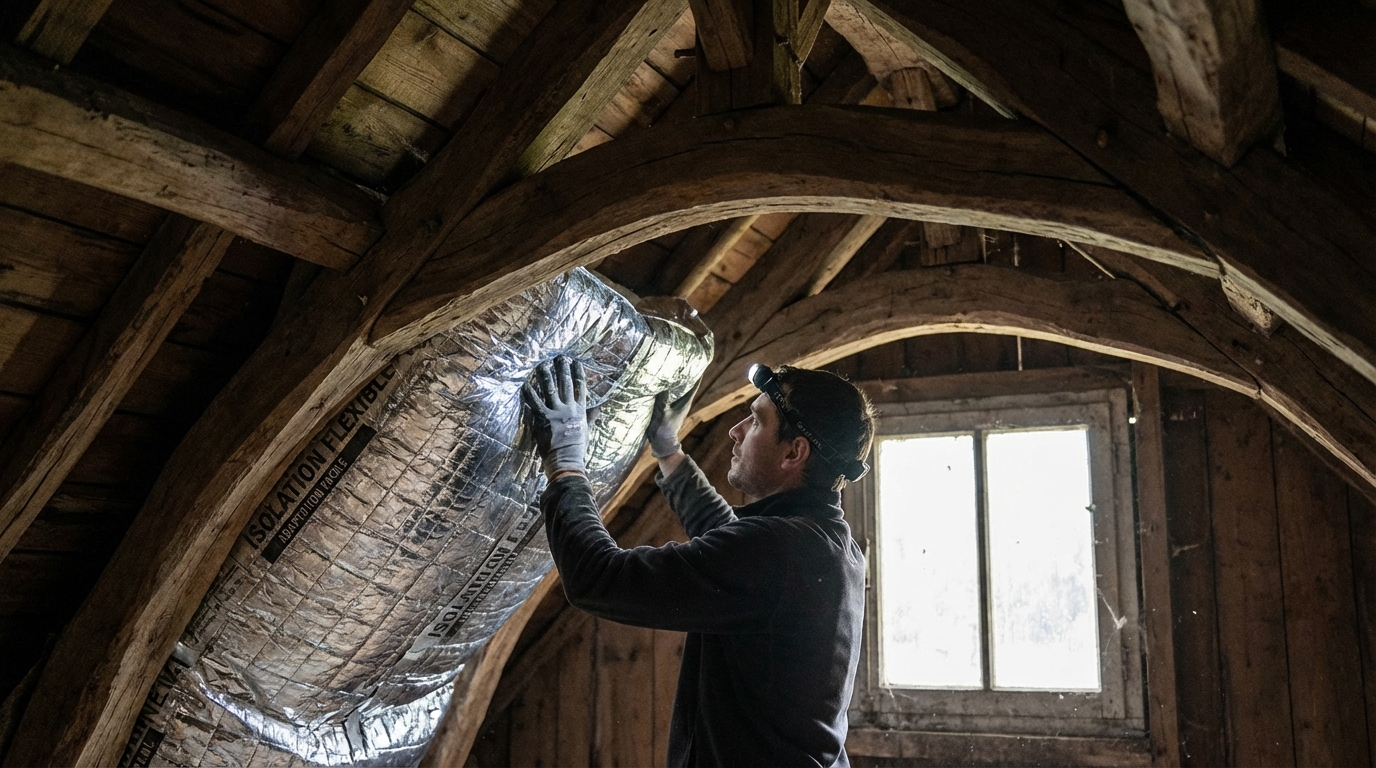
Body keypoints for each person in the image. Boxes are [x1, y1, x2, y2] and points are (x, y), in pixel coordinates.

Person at [524, 355, 875, 767]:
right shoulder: (827, 542)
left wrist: (566, 466)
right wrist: (670, 454)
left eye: (757, 422)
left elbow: (597, 577)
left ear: (794, 453)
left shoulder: (776, 550)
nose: (735, 431)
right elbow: (727, 541)